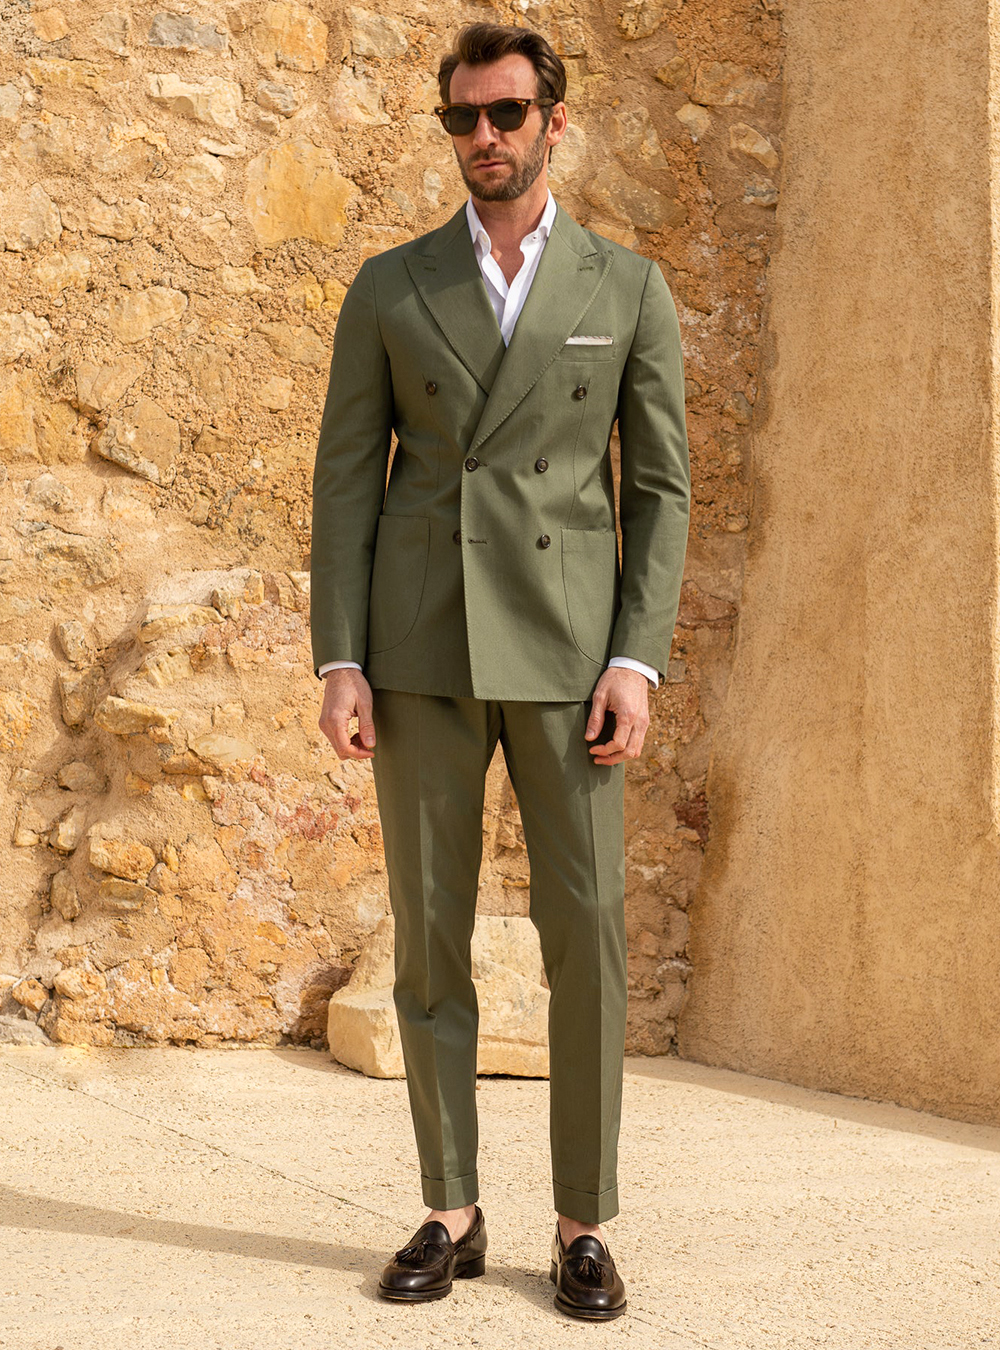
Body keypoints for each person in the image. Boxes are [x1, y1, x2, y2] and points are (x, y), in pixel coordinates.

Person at [310, 20, 690, 1322]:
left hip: (572, 655)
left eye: (507, 114)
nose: (485, 138)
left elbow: (660, 490)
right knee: (430, 932)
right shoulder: (391, 286)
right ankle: (451, 1206)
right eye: (463, 119)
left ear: (553, 121)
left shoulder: (627, 288)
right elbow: (349, 480)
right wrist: (342, 656)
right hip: (421, 653)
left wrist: (636, 657)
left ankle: (583, 1219)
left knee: (585, 931)